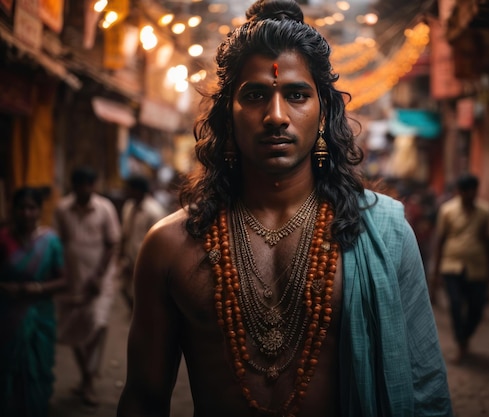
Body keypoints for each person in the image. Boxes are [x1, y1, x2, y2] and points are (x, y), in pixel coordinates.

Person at [117, 1, 452, 416]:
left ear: (324, 111)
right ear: (227, 114)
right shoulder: (169, 246)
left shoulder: (385, 234)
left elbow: (424, 392)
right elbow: (143, 400)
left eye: (296, 95)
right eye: (256, 95)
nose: (276, 116)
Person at [54, 166, 121, 406]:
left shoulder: (105, 208)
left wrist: (98, 276)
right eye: (79, 184)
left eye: (87, 185)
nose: (83, 189)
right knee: (74, 330)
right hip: (72, 281)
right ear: (73, 186)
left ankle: (89, 380)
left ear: (94, 186)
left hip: (100, 282)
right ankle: (86, 377)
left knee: (97, 325)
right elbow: (58, 243)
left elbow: (112, 244)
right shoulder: (62, 209)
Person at [0, 187, 66, 417]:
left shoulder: (51, 241)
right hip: (8, 316)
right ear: (13, 209)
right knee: (8, 369)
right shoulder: (3, 238)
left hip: (40, 316)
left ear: (39, 211)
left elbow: (64, 280)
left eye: (32, 208)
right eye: (22, 208)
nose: (26, 213)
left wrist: (34, 288)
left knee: (37, 368)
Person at [433, 173, 489, 364]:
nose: (471, 194)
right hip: (451, 265)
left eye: (474, 190)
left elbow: (487, 240)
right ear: (460, 192)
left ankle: (466, 336)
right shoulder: (447, 210)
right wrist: (435, 274)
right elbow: (440, 240)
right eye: (467, 191)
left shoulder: (485, 211)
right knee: (456, 304)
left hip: (477, 266)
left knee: (477, 307)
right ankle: (461, 342)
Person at [118, 174, 166, 311]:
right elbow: (125, 233)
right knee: (126, 291)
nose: (126, 192)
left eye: (129, 189)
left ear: (138, 190)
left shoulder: (154, 211)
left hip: (145, 261)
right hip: (129, 260)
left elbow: (159, 242)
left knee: (144, 296)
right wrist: (121, 256)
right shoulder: (129, 206)